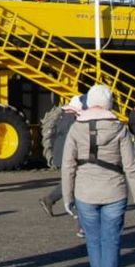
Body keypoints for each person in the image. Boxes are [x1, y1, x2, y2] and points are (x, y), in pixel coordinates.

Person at [61, 84, 135, 267]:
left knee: (93, 238)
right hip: (114, 191)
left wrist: (66, 196)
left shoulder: (76, 128)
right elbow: (131, 166)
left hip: (85, 191)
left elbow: (68, 165)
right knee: (112, 238)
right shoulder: (119, 128)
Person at [38, 94, 84, 236]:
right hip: (69, 155)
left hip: (60, 154)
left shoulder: (62, 117)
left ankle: (50, 200)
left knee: (70, 180)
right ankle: (77, 213)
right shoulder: (75, 120)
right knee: (75, 182)